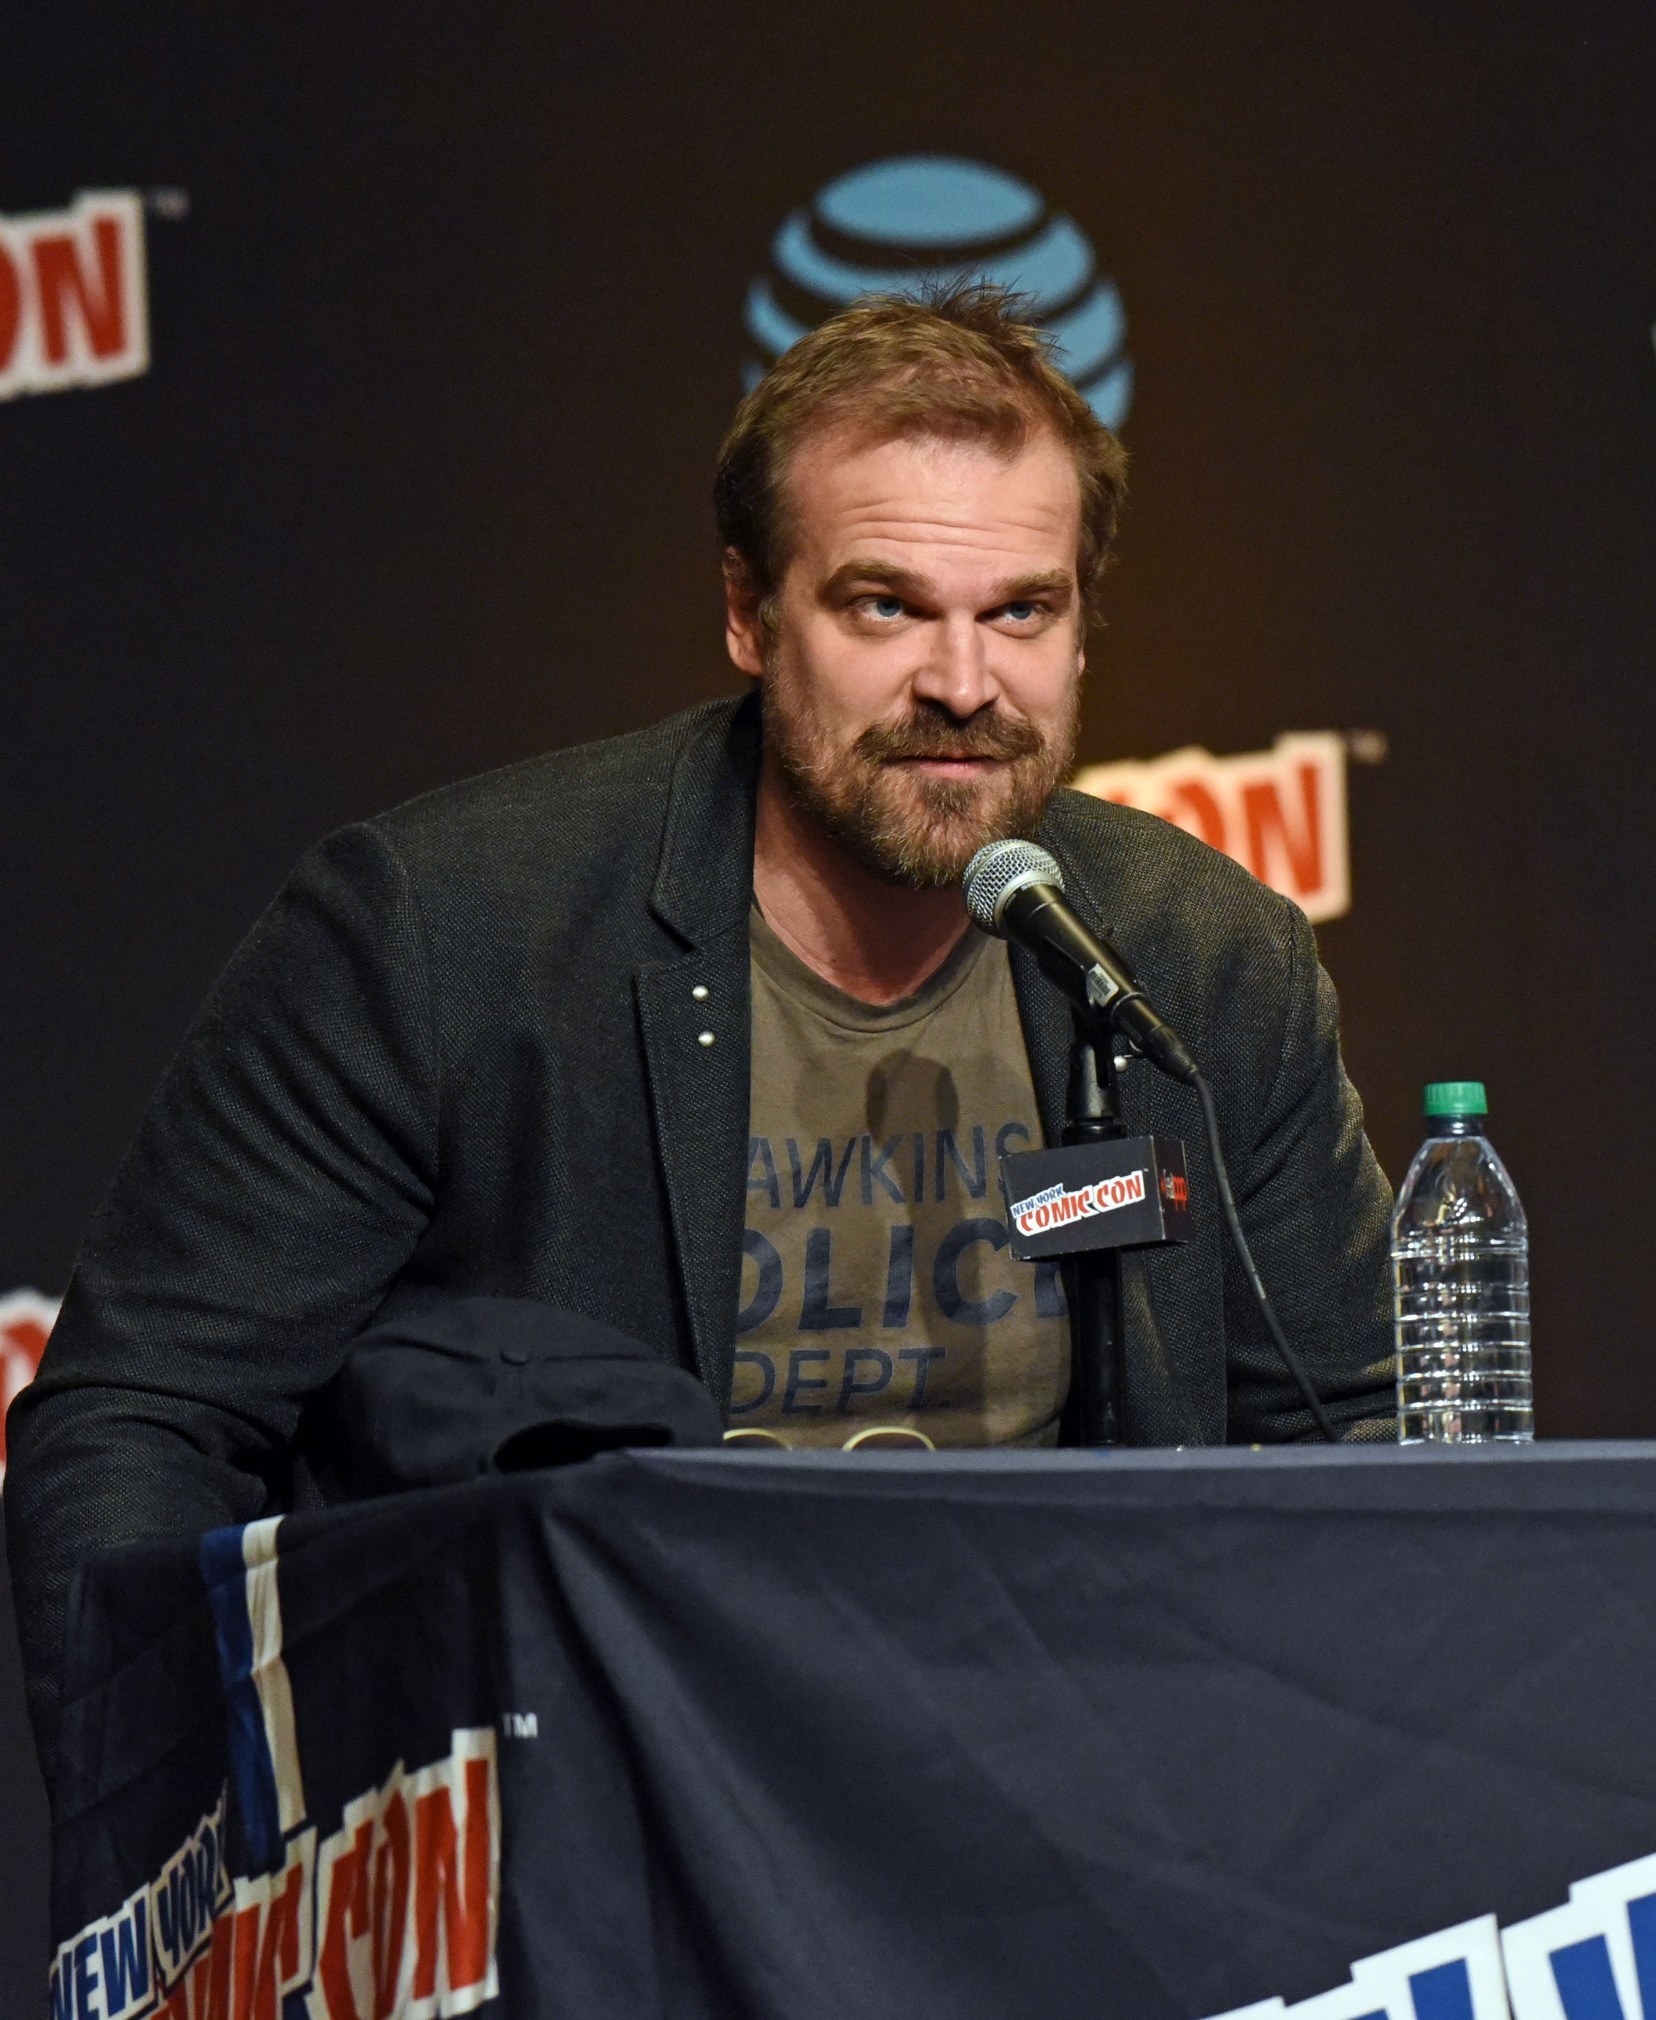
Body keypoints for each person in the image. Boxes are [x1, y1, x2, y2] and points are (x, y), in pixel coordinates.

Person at [9, 286, 1396, 1729]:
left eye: (1021, 613)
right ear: (747, 612)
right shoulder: (443, 931)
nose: (963, 684)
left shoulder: (1198, 957)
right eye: (885, 606)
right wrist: (199, 1860)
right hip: (578, 1797)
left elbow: (1349, 1436)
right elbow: (145, 1424)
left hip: (1063, 1789)